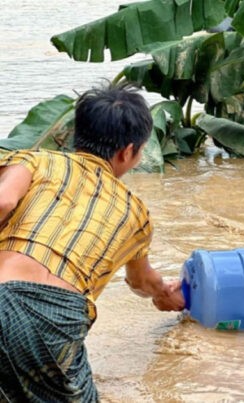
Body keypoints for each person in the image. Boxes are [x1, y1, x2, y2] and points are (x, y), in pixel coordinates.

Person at [0, 82, 185, 401]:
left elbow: (3, 201)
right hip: (52, 320)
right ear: (128, 152)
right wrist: (165, 295)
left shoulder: (36, 161)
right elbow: (142, 281)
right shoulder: (135, 212)